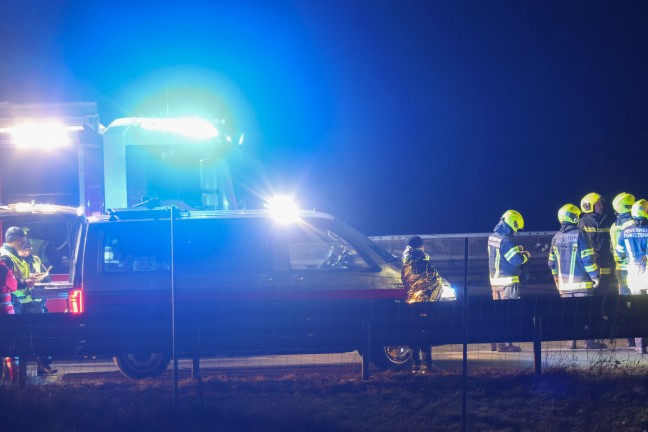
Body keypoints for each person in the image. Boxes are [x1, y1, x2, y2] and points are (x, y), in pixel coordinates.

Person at [549, 204, 606, 349]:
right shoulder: (580, 234)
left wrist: (557, 280)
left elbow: (551, 263)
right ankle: (589, 342)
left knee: (569, 314)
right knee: (586, 313)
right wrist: (595, 275)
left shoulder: (556, 238)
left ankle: (571, 342)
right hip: (582, 284)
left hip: (564, 285)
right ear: (573, 217)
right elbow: (587, 258)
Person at [487, 210, 529, 352]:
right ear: (512, 223)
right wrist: (526, 255)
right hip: (508, 283)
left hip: (495, 282)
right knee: (509, 314)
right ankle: (505, 345)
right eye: (516, 228)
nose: (515, 231)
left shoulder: (493, 237)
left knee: (497, 314)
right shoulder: (507, 240)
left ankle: (495, 342)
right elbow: (516, 260)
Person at [401, 235, 444, 374]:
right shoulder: (423, 262)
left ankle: (415, 365)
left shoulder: (405, 262)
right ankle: (428, 365)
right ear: (420, 246)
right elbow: (436, 282)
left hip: (410, 303)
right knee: (424, 332)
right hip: (424, 304)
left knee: (413, 332)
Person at [615, 199, 648, 354]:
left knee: (638, 310)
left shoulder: (625, 231)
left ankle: (640, 345)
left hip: (632, 276)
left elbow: (619, 252)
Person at [610, 192, 636, 348]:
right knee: (640, 303)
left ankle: (629, 339)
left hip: (621, 270)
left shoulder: (614, 226)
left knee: (626, 305)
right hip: (635, 269)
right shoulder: (633, 224)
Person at [579, 193, 614, 294]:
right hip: (590, 267)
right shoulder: (582, 223)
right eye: (598, 204)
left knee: (605, 293)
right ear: (589, 206)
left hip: (605, 263)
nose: (602, 206)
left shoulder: (607, 221)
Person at [0, 227, 35, 315]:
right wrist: (25, 283)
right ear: (13, 240)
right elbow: (8, 282)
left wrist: (29, 276)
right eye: (21, 241)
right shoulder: (5, 257)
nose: (23, 243)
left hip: (15, 300)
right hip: (11, 300)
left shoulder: (11, 254)